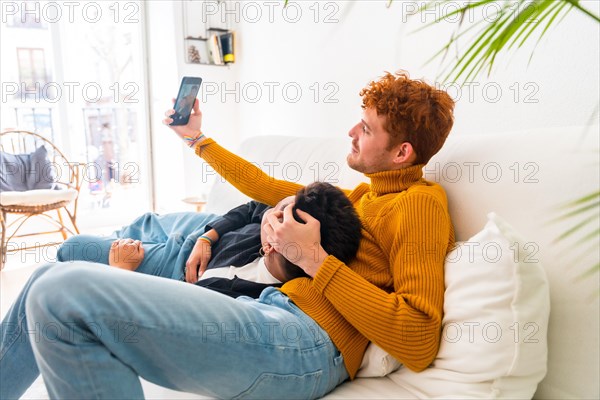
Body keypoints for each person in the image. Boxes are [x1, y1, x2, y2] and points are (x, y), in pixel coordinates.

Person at [3, 70, 455, 399]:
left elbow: (418, 339)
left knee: (63, 289)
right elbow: (264, 189)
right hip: (272, 307)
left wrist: (315, 259)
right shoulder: (362, 195)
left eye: (367, 127)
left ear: (402, 152)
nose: (352, 131)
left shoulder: (418, 205)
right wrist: (196, 140)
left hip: (310, 341)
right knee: (47, 278)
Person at [0, 182, 362, 398]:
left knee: (57, 289)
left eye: (281, 218)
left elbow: (179, 315)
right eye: (281, 207)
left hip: (185, 285)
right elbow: (255, 208)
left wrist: (121, 275)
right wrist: (208, 236)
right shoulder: (259, 229)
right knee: (51, 268)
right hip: (191, 253)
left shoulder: (273, 298)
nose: (273, 215)